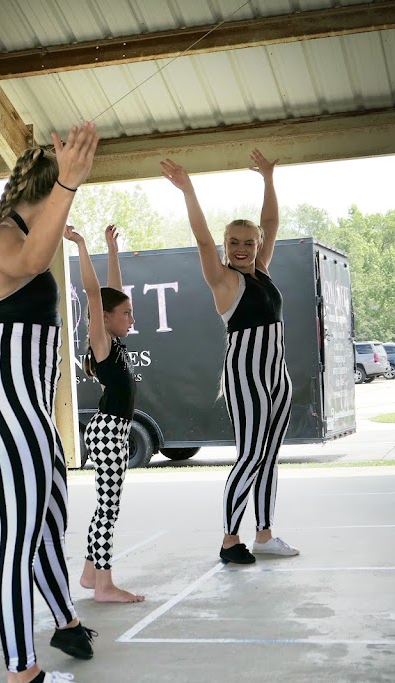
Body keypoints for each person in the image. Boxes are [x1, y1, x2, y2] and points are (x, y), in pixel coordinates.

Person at [0, 121, 99, 683]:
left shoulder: (22, 233)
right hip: (8, 407)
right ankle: (22, 669)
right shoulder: (3, 238)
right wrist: (70, 183)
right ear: (45, 189)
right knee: (18, 544)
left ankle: (66, 621)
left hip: (29, 407)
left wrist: (66, 186)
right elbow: (34, 260)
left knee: (49, 525)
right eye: (58, 193)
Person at [160, 150, 299, 565]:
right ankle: (229, 540)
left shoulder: (263, 270)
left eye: (249, 242)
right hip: (245, 375)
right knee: (251, 455)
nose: (242, 248)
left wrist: (268, 178)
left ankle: (265, 535)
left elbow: (270, 222)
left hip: (277, 375)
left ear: (258, 246)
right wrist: (188, 190)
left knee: (269, 457)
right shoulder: (223, 279)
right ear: (226, 245)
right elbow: (202, 238)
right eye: (234, 242)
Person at [64, 224, 145, 604]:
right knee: (107, 510)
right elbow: (96, 295)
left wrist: (112, 250)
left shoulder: (112, 340)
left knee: (105, 507)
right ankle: (104, 585)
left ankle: (88, 573)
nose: (132, 319)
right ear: (106, 318)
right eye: (127, 314)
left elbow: (111, 292)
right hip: (108, 432)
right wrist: (81, 244)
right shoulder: (102, 344)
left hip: (113, 431)